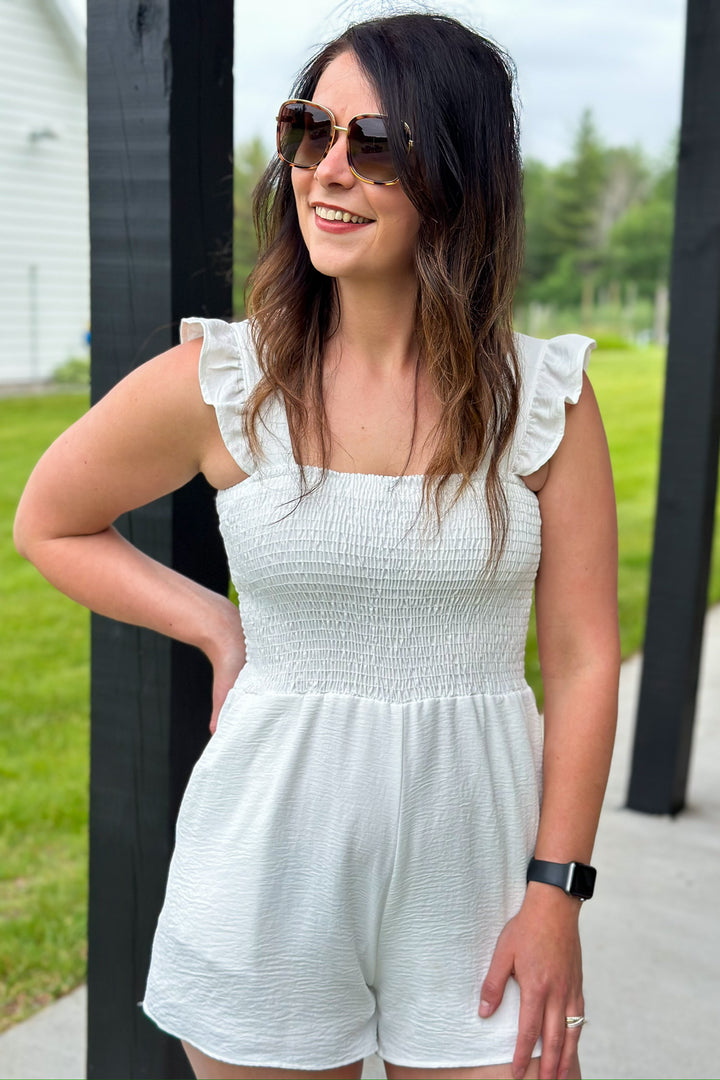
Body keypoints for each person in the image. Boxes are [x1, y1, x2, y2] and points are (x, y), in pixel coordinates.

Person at [13, 12, 620, 1080]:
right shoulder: (228, 383)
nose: (328, 171)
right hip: (264, 879)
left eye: (374, 143)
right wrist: (213, 623)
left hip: (479, 886)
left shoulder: (546, 402)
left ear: (462, 176)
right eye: (310, 130)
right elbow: (48, 520)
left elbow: (579, 660)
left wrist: (556, 890)